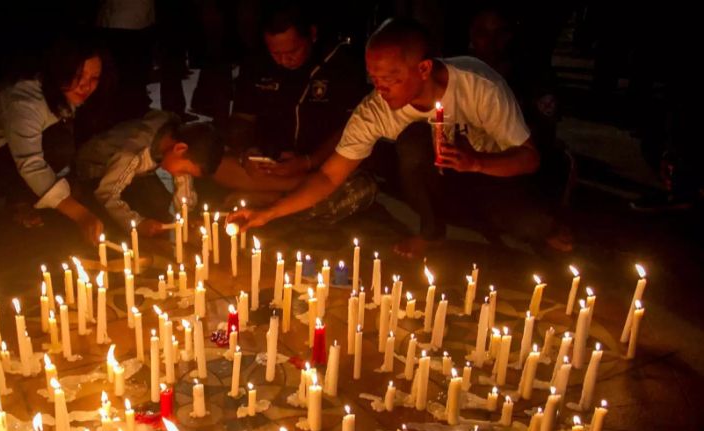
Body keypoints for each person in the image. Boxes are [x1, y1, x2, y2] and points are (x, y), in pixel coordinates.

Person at [229, 18, 571, 257]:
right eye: (373, 77)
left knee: (532, 225)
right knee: (412, 140)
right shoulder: (376, 108)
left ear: (423, 68)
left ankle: (547, 212)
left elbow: (528, 158)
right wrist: (267, 215)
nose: (380, 88)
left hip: (494, 173)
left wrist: (477, 162)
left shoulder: (479, 85)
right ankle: (432, 231)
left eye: (390, 78)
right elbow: (329, 175)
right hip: (435, 177)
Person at [211, 1, 377, 223]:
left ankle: (270, 202)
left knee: (359, 189)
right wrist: (247, 152)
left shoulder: (341, 65)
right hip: (270, 171)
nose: (283, 60)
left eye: (292, 51)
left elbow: (351, 128)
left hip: (323, 168)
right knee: (215, 164)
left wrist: (309, 161)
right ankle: (286, 200)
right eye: (275, 53)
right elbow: (242, 118)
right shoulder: (257, 64)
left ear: (312, 34)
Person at [0, 35, 104, 243]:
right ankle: (7, 198)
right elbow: (31, 163)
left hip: (14, 149)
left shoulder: (60, 91)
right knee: (59, 144)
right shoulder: (25, 102)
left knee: (62, 143)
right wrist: (81, 215)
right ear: (60, 69)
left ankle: (24, 197)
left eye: (94, 78)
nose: (85, 86)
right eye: (77, 75)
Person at [76, 111, 223, 236]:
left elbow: (183, 180)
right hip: (94, 173)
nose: (182, 175)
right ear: (180, 149)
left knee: (158, 201)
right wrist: (138, 224)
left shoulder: (173, 137)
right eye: (185, 171)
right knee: (108, 219)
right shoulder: (133, 152)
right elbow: (106, 193)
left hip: (132, 174)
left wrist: (188, 214)